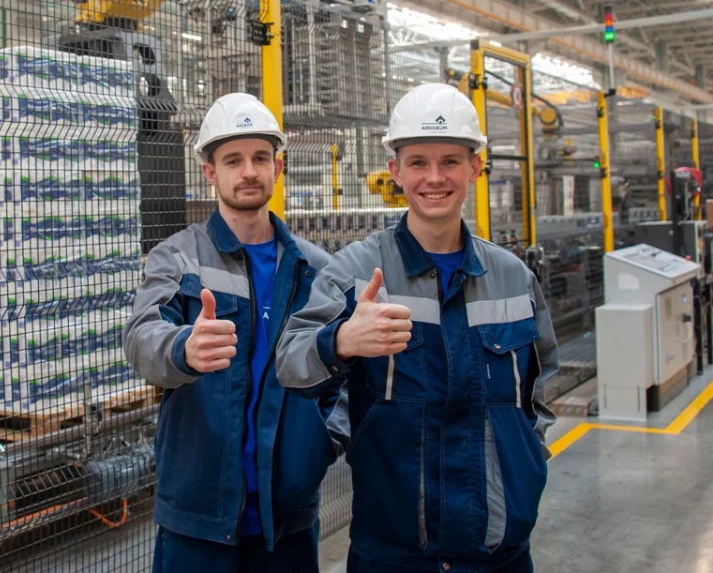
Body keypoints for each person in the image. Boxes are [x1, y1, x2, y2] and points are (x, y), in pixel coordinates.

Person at [276, 82, 559, 573]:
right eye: (418, 162)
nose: (434, 178)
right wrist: (339, 341)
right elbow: (289, 363)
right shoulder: (356, 272)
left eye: (450, 161)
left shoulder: (513, 278)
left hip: (499, 550)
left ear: (475, 167)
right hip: (393, 551)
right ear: (396, 171)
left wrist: (525, 465)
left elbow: (539, 390)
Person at [124, 92, 345, 573]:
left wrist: (324, 439)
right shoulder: (178, 257)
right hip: (197, 514)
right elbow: (141, 338)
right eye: (233, 160)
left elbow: (344, 371)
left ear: (278, 168)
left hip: (287, 515)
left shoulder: (315, 269)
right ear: (210, 172)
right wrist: (182, 348)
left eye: (260, 158)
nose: (248, 171)